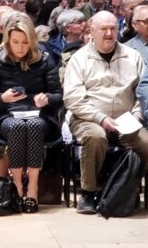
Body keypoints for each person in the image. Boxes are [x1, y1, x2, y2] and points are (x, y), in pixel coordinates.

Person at [63, 11, 148, 214]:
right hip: (89, 118)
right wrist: (100, 118)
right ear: (91, 31)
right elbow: (73, 98)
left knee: (146, 143)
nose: (109, 33)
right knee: (95, 137)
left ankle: (133, 190)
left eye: (113, 28)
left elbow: (142, 93)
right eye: (103, 29)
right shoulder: (79, 59)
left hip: (127, 119)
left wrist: (136, 116)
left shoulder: (133, 56)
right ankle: (88, 193)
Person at [0, 14, 62, 213]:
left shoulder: (44, 60)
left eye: (25, 42)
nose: (20, 47)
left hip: (40, 116)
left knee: (33, 125)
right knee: (17, 126)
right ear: (8, 41)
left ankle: (32, 188)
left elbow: (58, 95)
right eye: (15, 42)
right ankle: (17, 187)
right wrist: (3, 99)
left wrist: (47, 99)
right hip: (8, 116)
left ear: (32, 41)